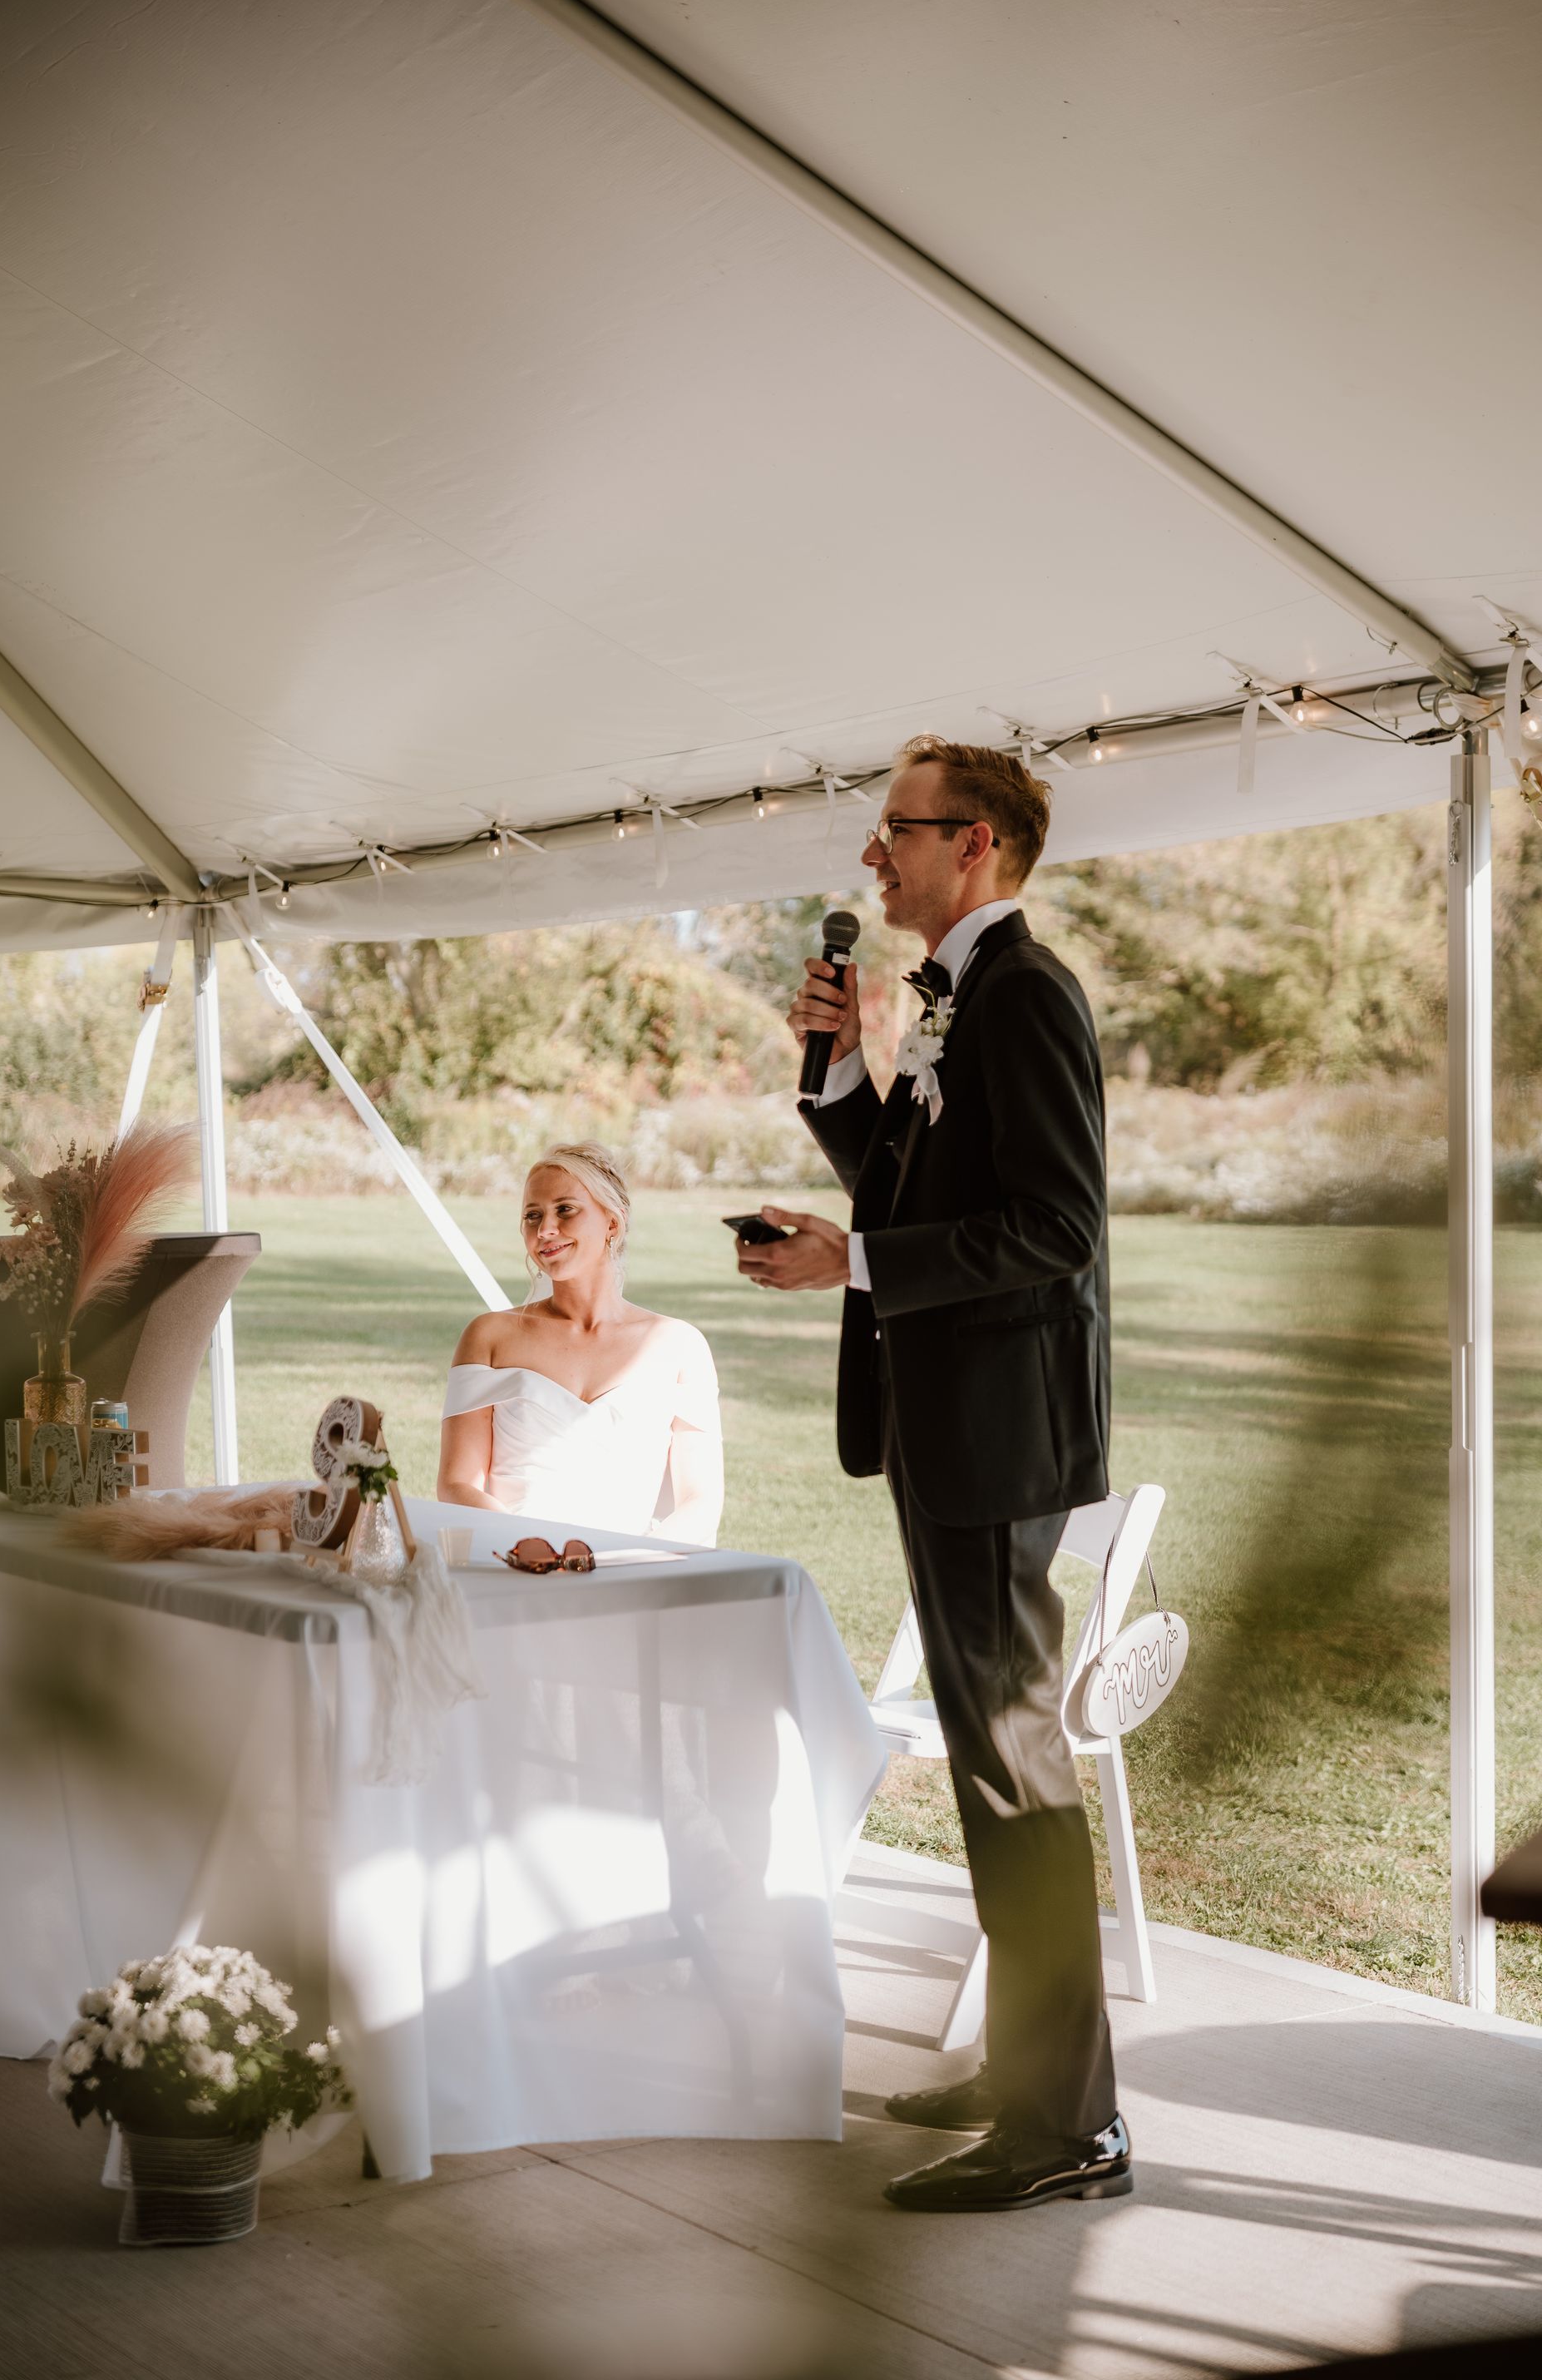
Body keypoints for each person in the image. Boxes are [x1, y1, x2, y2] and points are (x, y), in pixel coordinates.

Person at [734, 734, 1129, 2214]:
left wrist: (861, 1262)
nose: (872, 855)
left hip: (997, 1438)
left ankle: (1070, 2127)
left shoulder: (1025, 996)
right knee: (986, 1768)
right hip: (947, 1425)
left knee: (1018, 1776)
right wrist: (846, 1069)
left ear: (975, 846)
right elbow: (900, 1183)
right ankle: (1028, 2070)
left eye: (896, 830)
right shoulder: (956, 1000)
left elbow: (1057, 1227)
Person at [439, 1143, 724, 1546]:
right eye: (532, 1216)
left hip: (633, 1575)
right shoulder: (488, 1338)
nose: (545, 1230)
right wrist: (539, 1556)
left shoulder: (679, 1347)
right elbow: (456, 1486)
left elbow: (700, 1501)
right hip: (515, 1565)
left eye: (565, 1210)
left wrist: (639, 1566)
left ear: (613, 1223)